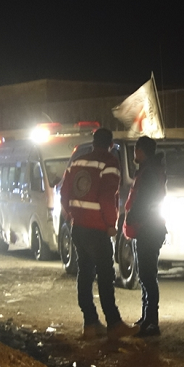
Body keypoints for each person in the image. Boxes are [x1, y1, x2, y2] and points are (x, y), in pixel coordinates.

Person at [59, 127, 125, 336]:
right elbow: (107, 197)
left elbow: (64, 192)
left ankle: (90, 322)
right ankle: (114, 323)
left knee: (84, 274)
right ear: (110, 144)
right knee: (106, 275)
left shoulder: (77, 161)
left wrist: (71, 214)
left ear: (93, 142)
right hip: (98, 228)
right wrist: (111, 224)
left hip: (78, 227)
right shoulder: (110, 162)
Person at [123, 136, 167, 337]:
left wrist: (131, 219)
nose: (134, 153)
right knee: (144, 274)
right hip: (148, 228)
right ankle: (146, 317)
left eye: (136, 149)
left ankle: (152, 322)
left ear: (142, 151)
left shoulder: (148, 172)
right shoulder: (149, 170)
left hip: (148, 229)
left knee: (148, 275)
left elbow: (143, 201)